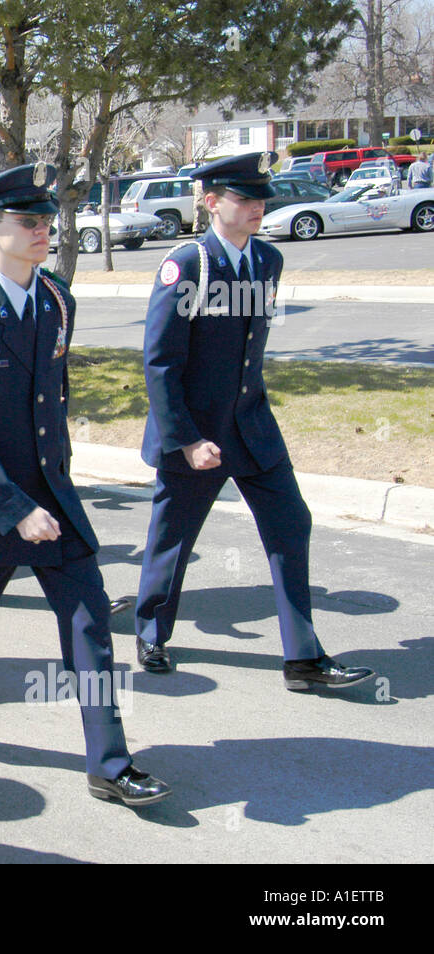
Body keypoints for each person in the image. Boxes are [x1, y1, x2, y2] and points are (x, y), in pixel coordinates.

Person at [0, 164, 171, 807]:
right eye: (28, 222)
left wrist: (50, 487)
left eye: (47, 222)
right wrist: (14, 507)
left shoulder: (57, 300)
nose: (43, 232)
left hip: (51, 495)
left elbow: (50, 398)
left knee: (88, 621)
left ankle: (108, 763)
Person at [133, 151, 377, 693]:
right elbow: (161, 361)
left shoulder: (268, 260)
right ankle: (151, 631)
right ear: (212, 202)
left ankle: (302, 657)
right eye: (244, 199)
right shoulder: (188, 264)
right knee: (173, 537)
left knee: (292, 523)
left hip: (252, 425)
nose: (256, 208)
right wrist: (187, 438)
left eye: (261, 199)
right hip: (197, 433)